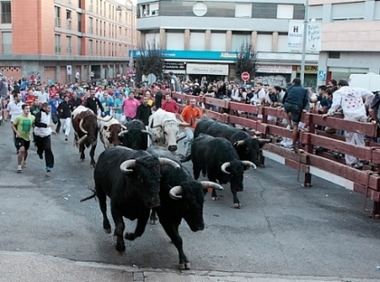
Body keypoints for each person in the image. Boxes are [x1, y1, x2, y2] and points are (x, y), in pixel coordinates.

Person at [322, 80, 374, 169]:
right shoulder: (357, 89)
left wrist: (329, 113)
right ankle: (362, 158)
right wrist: (366, 105)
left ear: (339, 85)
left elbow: (336, 104)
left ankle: (352, 162)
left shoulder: (339, 92)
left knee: (350, 139)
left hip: (350, 116)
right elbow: (371, 95)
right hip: (361, 114)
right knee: (360, 137)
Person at [283, 78, 309, 152]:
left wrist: (284, 104)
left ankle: (289, 124)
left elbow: (284, 98)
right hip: (297, 106)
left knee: (285, 111)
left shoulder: (290, 88)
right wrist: (302, 108)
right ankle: (293, 144)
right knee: (296, 125)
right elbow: (306, 101)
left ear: (293, 82)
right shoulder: (304, 90)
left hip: (287, 104)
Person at [12, 104, 35, 173]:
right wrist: (17, 132)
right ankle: (19, 166)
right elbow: (13, 125)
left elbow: (34, 125)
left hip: (27, 137)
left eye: (28, 109)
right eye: (26, 109)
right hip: (20, 136)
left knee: (26, 151)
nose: (27, 110)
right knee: (21, 150)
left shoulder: (32, 117)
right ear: (23, 109)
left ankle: (24, 160)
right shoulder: (19, 117)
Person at [34, 102, 55, 175]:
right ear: (44, 108)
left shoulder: (50, 113)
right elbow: (36, 123)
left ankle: (49, 166)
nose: (50, 109)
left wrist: (55, 121)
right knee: (40, 148)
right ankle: (39, 152)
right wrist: (46, 125)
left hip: (46, 134)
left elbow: (55, 118)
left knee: (48, 149)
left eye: (50, 108)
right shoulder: (39, 114)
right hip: (38, 135)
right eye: (48, 108)